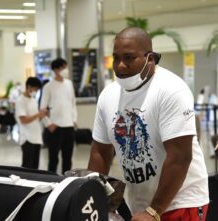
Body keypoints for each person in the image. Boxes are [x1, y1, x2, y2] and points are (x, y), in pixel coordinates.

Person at [87, 27, 209, 221]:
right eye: (116, 58)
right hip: (140, 203)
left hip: (180, 202)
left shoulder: (171, 90)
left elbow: (180, 156)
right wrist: (89, 197)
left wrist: (154, 211)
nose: (120, 66)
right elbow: (100, 150)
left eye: (128, 58)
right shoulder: (108, 95)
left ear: (150, 58)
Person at [40, 58, 77, 174]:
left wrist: (74, 119)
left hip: (69, 126)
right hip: (55, 127)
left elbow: (73, 103)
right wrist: (48, 123)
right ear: (56, 69)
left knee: (68, 158)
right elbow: (42, 108)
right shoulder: (48, 87)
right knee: (53, 158)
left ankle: (66, 182)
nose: (65, 70)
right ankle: (51, 180)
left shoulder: (69, 84)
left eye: (66, 67)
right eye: (63, 68)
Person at [15, 77, 48, 169]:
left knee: (35, 166)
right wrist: (38, 114)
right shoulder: (20, 100)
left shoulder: (34, 100)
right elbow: (24, 120)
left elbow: (36, 118)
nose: (36, 92)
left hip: (36, 137)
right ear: (29, 86)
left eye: (37, 90)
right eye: (35, 89)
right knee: (27, 166)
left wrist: (42, 115)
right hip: (27, 138)